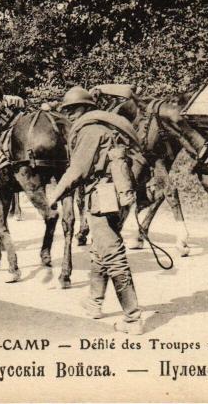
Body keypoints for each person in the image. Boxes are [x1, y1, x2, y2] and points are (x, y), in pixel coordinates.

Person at [48, 86, 144, 335]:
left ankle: (133, 318)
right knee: (100, 249)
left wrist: (56, 194)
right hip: (116, 195)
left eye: (73, 110)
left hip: (102, 197)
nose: (69, 115)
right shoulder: (105, 127)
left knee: (112, 254)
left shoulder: (90, 131)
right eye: (66, 111)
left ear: (85, 109)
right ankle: (94, 302)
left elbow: (78, 170)